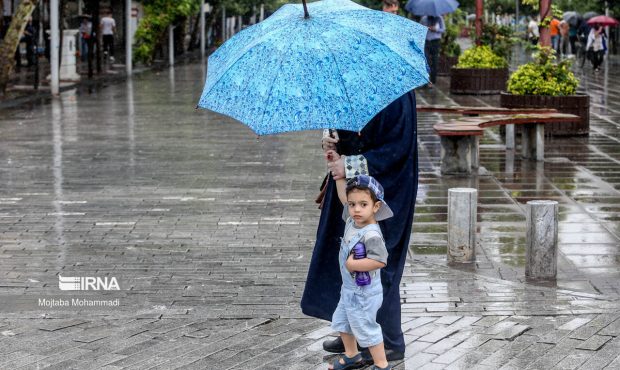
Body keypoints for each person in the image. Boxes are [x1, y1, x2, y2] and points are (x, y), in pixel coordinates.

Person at [301, 89, 419, 364]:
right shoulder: (348, 80)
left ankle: (387, 340)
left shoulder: (397, 91)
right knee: (348, 258)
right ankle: (354, 333)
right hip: (350, 189)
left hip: (385, 190)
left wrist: (349, 164)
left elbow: (397, 148)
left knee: (377, 260)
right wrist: (332, 143)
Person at [323, 173, 392, 370]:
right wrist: (338, 176)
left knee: (366, 328)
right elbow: (343, 197)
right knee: (342, 322)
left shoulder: (371, 234)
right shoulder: (352, 222)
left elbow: (380, 261)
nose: (356, 209)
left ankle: (381, 364)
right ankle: (352, 355)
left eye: (363, 204)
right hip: (349, 290)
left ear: (376, 206)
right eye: (352, 205)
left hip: (364, 293)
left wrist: (353, 265)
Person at [420, 15, 445, 86]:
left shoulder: (439, 18)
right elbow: (419, 28)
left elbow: (443, 29)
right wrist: (425, 28)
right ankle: (426, 80)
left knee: (435, 60)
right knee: (425, 60)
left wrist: (436, 29)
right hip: (426, 41)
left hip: (435, 41)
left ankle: (433, 80)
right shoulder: (424, 18)